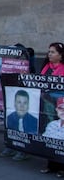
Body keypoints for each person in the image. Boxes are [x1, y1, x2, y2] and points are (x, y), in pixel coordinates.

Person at [40, 42, 64, 177]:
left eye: (53, 52)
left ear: (60, 56)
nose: (49, 54)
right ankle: (51, 165)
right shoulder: (46, 68)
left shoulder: (63, 69)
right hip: (46, 106)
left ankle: (62, 166)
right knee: (50, 135)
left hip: (61, 107)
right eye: (49, 51)